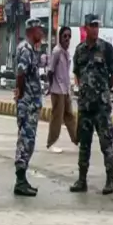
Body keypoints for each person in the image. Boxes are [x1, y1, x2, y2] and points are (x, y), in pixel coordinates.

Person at [70, 14, 113, 195]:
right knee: (84, 144)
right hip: (85, 107)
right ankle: (82, 180)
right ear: (85, 28)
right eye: (92, 25)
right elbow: (77, 73)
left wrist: (103, 90)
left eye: (97, 25)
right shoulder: (80, 50)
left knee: (106, 144)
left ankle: (110, 180)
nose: (95, 29)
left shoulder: (106, 49)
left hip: (101, 108)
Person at [13, 18, 45, 197]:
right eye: (39, 29)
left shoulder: (30, 49)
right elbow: (21, 73)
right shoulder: (26, 49)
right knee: (26, 140)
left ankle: (22, 179)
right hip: (27, 103)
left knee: (28, 140)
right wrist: (22, 95)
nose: (41, 32)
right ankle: (20, 181)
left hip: (30, 102)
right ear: (32, 31)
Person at [46, 26, 78, 154]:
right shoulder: (57, 52)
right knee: (57, 118)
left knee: (69, 116)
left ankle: (77, 140)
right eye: (65, 36)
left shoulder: (66, 52)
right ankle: (51, 143)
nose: (67, 39)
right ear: (60, 37)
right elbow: (50, 71)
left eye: (69, 36)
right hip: (57, 90)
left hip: (65, 90)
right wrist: (51, 86)